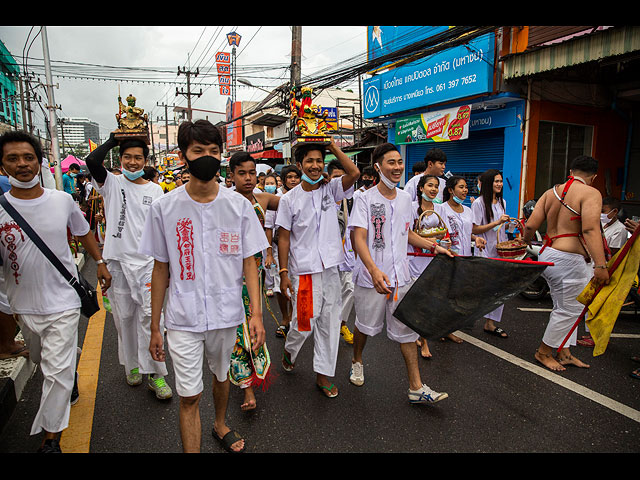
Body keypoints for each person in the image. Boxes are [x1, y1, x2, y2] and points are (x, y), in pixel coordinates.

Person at [143, 119, 267, 453]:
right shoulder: (164, 209)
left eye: (214, 151)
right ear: (184, 154)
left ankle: (221, 422)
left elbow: (249, 263)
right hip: (182, 317)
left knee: (222, 374)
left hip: (227, 313)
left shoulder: (238, 206)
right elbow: (160, 268)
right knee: (189, 394)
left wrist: (255, 314)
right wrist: (155, 326)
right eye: (198, 150)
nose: (206, 157)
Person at [0, 130, 111, 453]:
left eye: (28, 157)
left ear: (38, 162)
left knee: (56, 373)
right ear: (3, 165)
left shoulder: (61, 201)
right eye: (13, 158)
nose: (22, 164)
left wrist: (100, 262)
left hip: (63, 302)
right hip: (23, 307)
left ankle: (51, 440)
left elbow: (83, 231)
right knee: (41, 359)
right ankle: (69, 368)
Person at [348, 143, 452, 405]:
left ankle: (416, 387)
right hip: (371, 278)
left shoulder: (407, 200)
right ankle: (357, 360)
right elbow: (357, 236)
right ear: (378, 167)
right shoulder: (364, 199)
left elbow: (408, 234)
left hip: (400, 278)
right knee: (365, 326)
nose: (397, 167)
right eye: (391, 163)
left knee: (407, 331)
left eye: (399, 162)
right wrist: (373, 270)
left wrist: (434, 246)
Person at [85, 132, 172, 400]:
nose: (133, 163)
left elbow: (161, 228)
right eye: (127, 157)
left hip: (147, 263)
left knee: (151, 317)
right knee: (124, 318)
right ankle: (132, 364)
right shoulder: (110, 183)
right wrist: (113, 140)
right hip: (118, 262)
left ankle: (156, 374)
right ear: (120, 159)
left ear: (146, 161)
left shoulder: (156, 190)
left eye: (138, 158)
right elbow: (92, 161)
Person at [276, 140, 359, 398]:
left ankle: (323, 375)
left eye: (318, 161)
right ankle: (290, 350)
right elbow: (284, 238)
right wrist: (283, 273)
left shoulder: (331, 189)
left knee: (330, 322)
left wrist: (332, 148)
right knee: (304, 323)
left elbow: (354, 174)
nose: (314, 165)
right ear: (299, 165)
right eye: (309, 161)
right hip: (305, 271)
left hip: (331, 267)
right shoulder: (289, 200)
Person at [523, 155, 609, 372]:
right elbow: (590, 229)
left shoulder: (550, 192)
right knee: (569, 310)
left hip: (548, 253)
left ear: (571, 171)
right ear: (594, 177)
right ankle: (543, 352)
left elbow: (531, 225)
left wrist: (524, 242)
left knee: (569, 307)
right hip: (569, 260)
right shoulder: (591, 193)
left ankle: (564, 352)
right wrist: (601, 265)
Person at [227, 151, 279, 411]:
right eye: (242, 173)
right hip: (228, 278)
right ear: (231, 175)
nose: (248, 179)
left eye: (252, 173)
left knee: (253, 325)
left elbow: (297, 204)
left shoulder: (263, 199)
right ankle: (246, 386)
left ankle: (252, 375)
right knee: (238, 331)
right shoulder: (223, 202)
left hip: (255, 276)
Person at [408, 173, 458, 358]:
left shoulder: (440, 209)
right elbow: (409, 234)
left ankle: (424, 339)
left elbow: (446, 234)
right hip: (414, 260)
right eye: (430, 185)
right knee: (417, 301)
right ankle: (418, 339)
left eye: (436, 186)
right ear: (421, 188)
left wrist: (443, 244)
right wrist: (430, 239)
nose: (433, 189)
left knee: (429, 302)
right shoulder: (412, 208)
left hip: (433, 260)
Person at [471, 169, 511, 338]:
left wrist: (507, 225)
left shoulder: (502, 202)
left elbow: (500, 228)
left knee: (499, 289)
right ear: (488, 183)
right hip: (484, 250)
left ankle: (490, 323)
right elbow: (474, 228)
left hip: (500, 251)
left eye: (501, 181)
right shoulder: (479, 203)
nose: (499, 184)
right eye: (496, 181)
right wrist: (497, 222)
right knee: (482, 289)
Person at [266, 165, 300, 338]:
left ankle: (294, 319)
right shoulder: (276, 199)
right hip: (280, 249)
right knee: (281, 286)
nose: (293, 180)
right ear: (284, 180)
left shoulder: (303, 196)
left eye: (296, 177)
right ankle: (285, 319)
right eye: (290, 177)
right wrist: (270, 253)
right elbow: (269, 227)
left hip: (299, 249)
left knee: (296, 285)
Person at [327, 159, 355, 345]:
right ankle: (328, 325)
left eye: (342, 178)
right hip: (328, 258)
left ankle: (341, 323)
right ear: (328, 178)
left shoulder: (353, 200)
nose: (339, 182)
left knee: (351, 290)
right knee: (330, 295)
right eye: (336, 178)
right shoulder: (323, 200)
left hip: (348, 255)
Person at [440, 176, 486, 256]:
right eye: (461, 187)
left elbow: (466, 233)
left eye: (466, 187)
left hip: (466, 257)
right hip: (449, 256)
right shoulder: (441, 209)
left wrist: (476, 238)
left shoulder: (468, 210)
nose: (465, 190)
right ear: (450, 190)